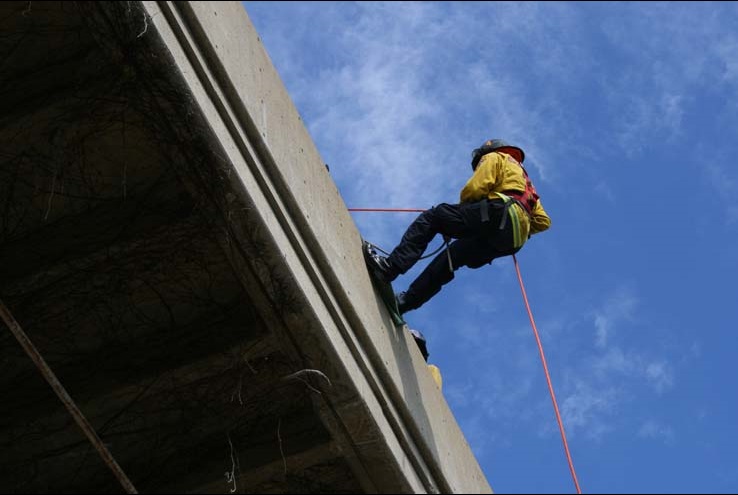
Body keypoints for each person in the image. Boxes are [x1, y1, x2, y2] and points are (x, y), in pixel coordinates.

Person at [366, 138, 551, 314]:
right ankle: (406, 302)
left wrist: (459, 216)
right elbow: (543, 222)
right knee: (452, 257)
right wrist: (516, 225)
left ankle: (390, 267)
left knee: (435, 216)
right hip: (513, 240)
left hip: (498, 212)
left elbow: (477, 187)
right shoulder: (529, 187)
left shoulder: (495, 157)